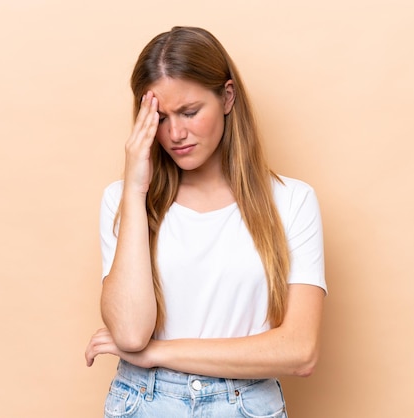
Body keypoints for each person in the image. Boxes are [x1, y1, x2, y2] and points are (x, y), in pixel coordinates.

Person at [85, 26, 327, 418]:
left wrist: (157, 353)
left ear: (227, 96)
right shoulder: (123, 199)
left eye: (189, 112)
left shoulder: (292, 201)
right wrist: (134, 191)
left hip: (244, 405)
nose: (175, 133)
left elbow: (300, 350)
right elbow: (130, 331)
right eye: (160, 118)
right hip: (144, 403)